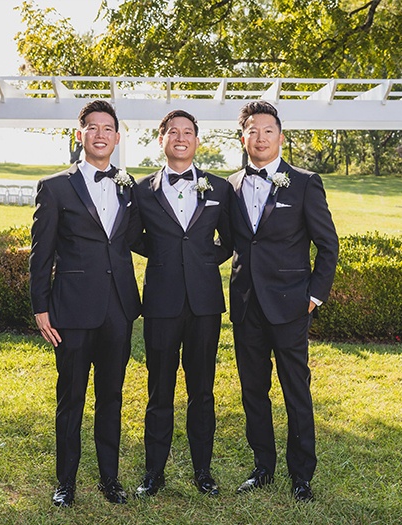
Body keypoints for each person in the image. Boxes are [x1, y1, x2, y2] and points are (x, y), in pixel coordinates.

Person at [29, 99, 141, 507]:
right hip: (72, 311)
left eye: (107, 127)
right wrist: (41, 307)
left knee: (111, 397)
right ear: (81, 135)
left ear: (116, 136)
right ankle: (66, 483)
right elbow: (41, 253)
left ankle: (110, 480)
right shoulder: (56, 186)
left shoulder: (130, 186)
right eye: (92, 127)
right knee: (71, 397)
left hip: (119, 309)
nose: (100, 134)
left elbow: (134, 239)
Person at [228, 100, 338, 502]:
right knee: (252, 390)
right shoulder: (231, 184)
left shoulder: (306, 182)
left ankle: (301, 475)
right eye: (253, 131)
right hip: (245, 305)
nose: (260, 137)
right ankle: (263, 467)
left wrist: (313, 297)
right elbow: (230, 242)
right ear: (244, 137)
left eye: (268, 130)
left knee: (296, 390)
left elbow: (328, 245)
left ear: (281, 136)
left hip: (291, 306)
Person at [133, 109, 232, 498]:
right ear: (161, 140)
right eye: (172, 132)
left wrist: (203, 261)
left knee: (202, 390)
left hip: (205, 303)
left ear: (197, 140)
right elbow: (130, 236)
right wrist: (162, 255)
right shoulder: (141, 190)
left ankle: (203, 471)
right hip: (160, 301)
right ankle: (154, 473)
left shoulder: (219, 188)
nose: (180, 137)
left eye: (187, 132)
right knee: (159, 390)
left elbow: (233, 239)